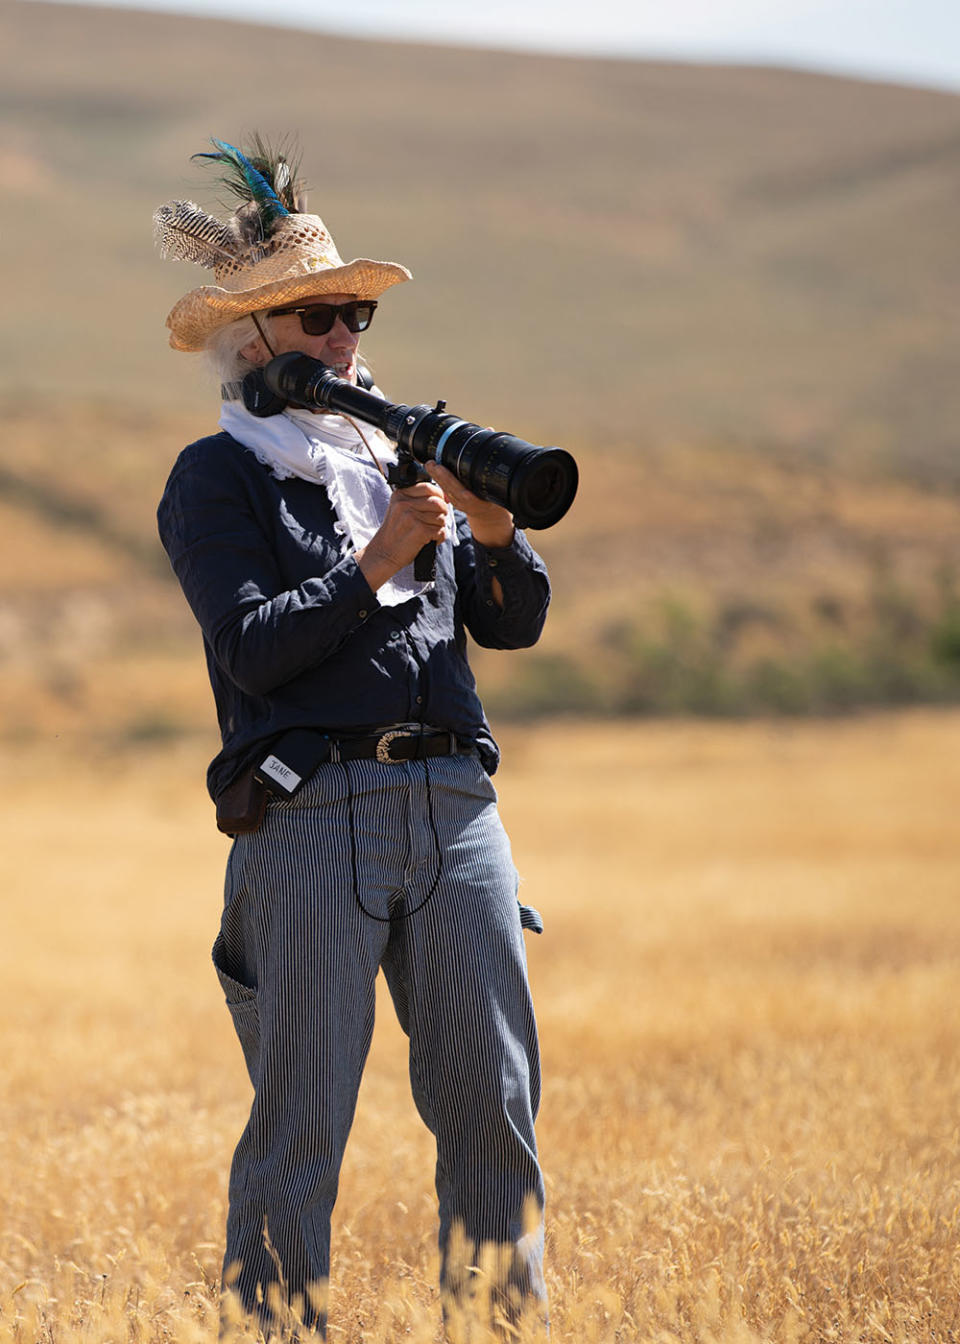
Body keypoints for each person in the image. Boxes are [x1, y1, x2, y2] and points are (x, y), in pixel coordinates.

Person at [154, 138, 550, 1338]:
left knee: (493, 1105)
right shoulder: (215, 479)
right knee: (302, 1121)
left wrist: (486, 534)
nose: (345, 341)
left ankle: (498, 1326)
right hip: (312, 814)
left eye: (355, 314)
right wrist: (377, 566)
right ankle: (275, 1327)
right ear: (255, 342)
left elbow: (515, 623)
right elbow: (253, 651)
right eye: (321, 318)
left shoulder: (400, 458)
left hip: (459, 809)